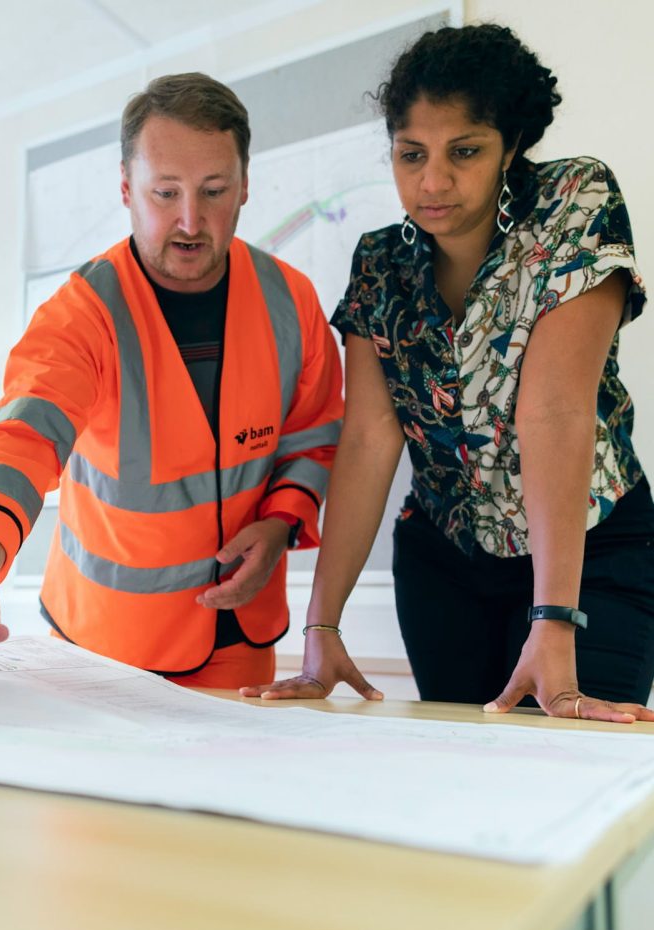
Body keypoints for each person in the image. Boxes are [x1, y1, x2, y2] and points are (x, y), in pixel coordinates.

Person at [0, 72, 344, 690]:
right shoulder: (81, 313)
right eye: (164, 193)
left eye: (214, 191)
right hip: (105, 648)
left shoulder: (292, 300)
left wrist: (281, 520)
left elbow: (311, 436)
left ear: (245, 188)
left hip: (240, 636)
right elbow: (21, 435)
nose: (190, 220)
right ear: (127, 188)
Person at [241, 24, 654, 724]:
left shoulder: (572, 202)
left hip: (589, 558)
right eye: (411, 154)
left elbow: (553, 409)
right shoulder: (380, 264)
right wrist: (322, 628)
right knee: (467, 781)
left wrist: (553, 619)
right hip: (444, 568)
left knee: (572, 770)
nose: (432, 182)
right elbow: (372, 441)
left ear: (510, 147)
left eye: (464, 152)